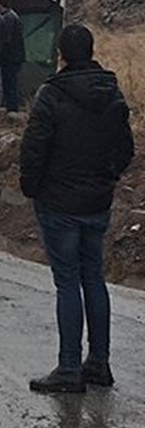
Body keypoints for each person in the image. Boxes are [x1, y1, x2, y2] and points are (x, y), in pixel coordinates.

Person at [20, 24, 134, 393]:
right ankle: (99, 363)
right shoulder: (112, 92)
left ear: (62, 55)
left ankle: (69, 368)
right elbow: (125, 149)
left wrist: (32, 187)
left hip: (59, 201)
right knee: (93, 278)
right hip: (97, 200)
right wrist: (108, 177)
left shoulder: (51, 95)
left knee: (67, 281)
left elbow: (34, 147)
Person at [0, 0, 26, 112]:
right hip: (15, 57)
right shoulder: (13, 16)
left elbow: (6, 38)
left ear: (0, 5)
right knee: (11, 83)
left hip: (10, 57)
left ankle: (12, 108)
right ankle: (11, 107)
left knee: (9, 83)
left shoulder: (8, 18)